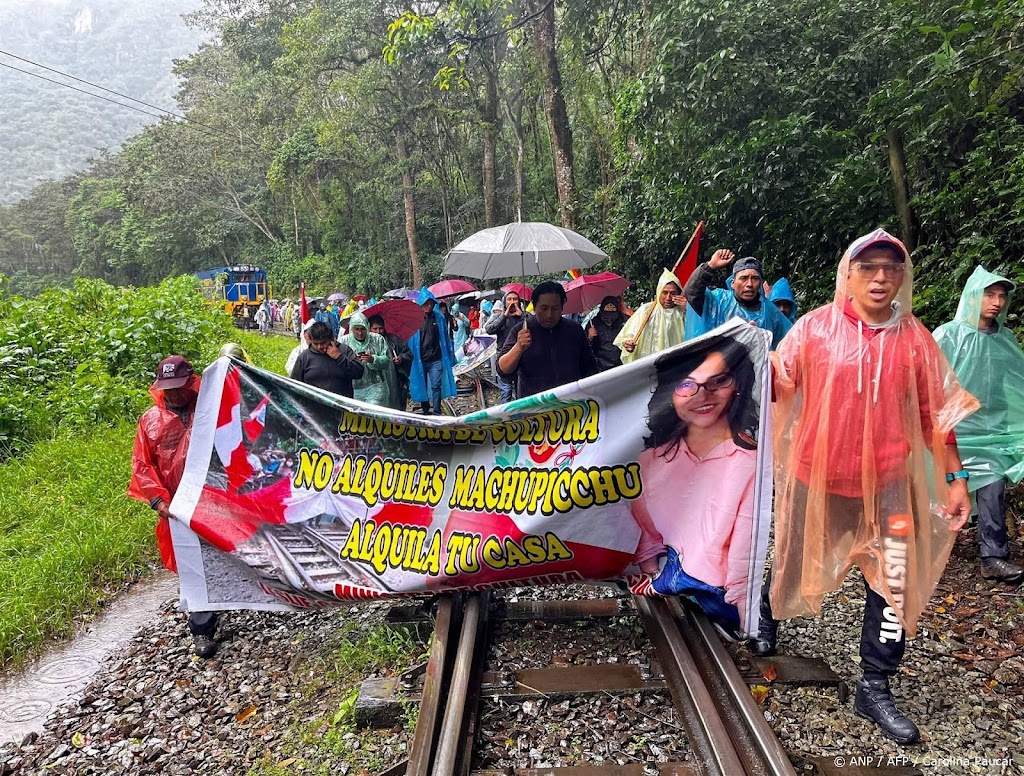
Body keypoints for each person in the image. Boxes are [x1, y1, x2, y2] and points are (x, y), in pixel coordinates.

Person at [755, 229, 977, 744]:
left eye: (891, 268)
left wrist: (956, 478)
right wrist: (756, 362)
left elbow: (937, 416)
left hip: (892, 491)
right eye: (869, 267)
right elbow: (781, 383)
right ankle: (767, 613)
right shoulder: (814, 330)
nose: (880, 278)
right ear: (847, 275)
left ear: (903, 277)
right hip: (820, 481)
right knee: (793, 554)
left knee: (895, 581)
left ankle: (875, 684)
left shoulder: (916, 341)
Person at [631, 336, 759, 635]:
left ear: (737, 383)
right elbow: (644, 536)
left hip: (717, 592)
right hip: (663, 574)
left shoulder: (748, 461)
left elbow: (744, 552)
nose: (704, 395)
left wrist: (743, 611)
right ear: (669, 394)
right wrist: (651, 570)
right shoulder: (651, 459)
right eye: (687, 384)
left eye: (719, 380)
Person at [934, 267, 1024, 585]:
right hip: (954, 432)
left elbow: (1016, 386)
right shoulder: (948, 335)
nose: (996, 302)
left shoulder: (1006, 341)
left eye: (1001, 295)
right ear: (974, 295)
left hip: (993, 434)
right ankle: (929, 553)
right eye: (989, 294)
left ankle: (993, 556)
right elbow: (931, 384)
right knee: (938, 489)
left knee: (993, 486)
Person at [128, 356, 219, 658]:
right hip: (176, 505)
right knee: (190, 564)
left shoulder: (211, 410)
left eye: (180, 387)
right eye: (169, 388)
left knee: (220, 554)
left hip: (213, 498)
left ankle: (222, 601)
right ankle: (202, 629)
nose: (175, 394)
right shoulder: (150, 421)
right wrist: (158, 500)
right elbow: (143, 465)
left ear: (192, 383)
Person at [497, 280, 598, 397]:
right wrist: (519, 347)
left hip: (572, 403)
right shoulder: (521, 330)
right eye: (544, 308)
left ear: (562, 306)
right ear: (534, 306)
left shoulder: (574, 330)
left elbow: (590, 368)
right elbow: (502, 370)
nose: (549, 315)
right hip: (535, 407)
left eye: (555, 309)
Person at [684, 251, 792, 349]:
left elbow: (789, 342)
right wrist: (710, 266)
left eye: (755, 279)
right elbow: (692, 292)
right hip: (722, 368)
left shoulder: (770, 312)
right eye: (743, 278)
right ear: (733, 283)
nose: (749, 284)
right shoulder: (718, 301)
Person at [614, 269, 688, 364]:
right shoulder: (646, 310)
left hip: (675, 365)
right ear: (659, 292)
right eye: (665, 293)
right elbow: (626, 337)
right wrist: (627, 344)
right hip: (648, 365)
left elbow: (696, 332)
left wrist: (689, 309)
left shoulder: (683, 312)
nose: (668, 298)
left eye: (673, 293)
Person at [409, 288, 457, 414]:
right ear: (421, 304)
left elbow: (445, 338)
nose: (429, 306)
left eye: (431, 303)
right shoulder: (415, 320)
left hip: (436, 359)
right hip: (420, 359)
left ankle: (436, 410)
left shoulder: (439, 318)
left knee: (436, 385)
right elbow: (411, 340)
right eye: (426, 303)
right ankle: (425, 409)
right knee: (422, 384)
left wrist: (450, 356)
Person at [289, 321, 364, 398]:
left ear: (331, 339)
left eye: (323, 343)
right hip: (313, 405)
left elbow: (358, 373)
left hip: (341, 405)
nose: (319, 347)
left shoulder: (344, 350)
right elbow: (294, 384)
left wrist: (339, 357)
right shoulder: (304, 357)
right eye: (315, 344)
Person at [341, 312, 390, 406]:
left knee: (373, 412)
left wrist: (373, 359)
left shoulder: (378, 339)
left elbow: (387, 360)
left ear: (367, 327)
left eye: (363, 329)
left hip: (376, 385)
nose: (360, 333)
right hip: (353, 387)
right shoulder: (343, 341)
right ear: (351, 328)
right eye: (357, 329)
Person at [485, 290, 526, 402]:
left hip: (521, 358)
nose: (512, 302)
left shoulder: (525, 316)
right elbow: (489, 329)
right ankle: (506, 417)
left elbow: (533, 326)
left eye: (515, 299)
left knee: (521, 392)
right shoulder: (499, 316)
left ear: (519, 301)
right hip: (503, 358)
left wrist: (522, 315)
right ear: (505, 303)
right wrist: (504, 316)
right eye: (509, 299)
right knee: (506, 391)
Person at [368, 314, 413, 411]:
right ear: (369, 328)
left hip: (394, 381)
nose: (378, 332)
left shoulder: (393, 340)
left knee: (395, 406)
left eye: (381, 328)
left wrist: (401, 358)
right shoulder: (366, 344)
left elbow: (408, 353)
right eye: (375, 329)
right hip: (374, 383)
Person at [588, 296, 631, 371]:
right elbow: (586, 350)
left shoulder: (626, 321)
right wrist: (589, 338)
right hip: (602, 367)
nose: (609, 320)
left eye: (612, 318)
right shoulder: (593, 324)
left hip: (623, 364)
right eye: (606, 318)